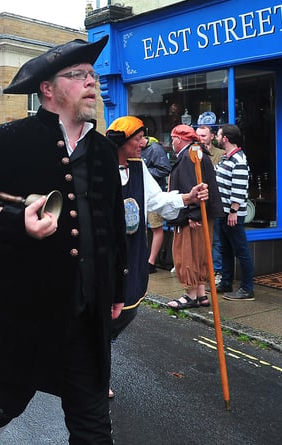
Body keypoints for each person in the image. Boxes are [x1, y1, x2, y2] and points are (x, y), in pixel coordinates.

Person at [0, 36, 126, 444]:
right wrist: (14, 222)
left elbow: (112, 222)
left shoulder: (102, 150)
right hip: (27, 309)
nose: (91, 82)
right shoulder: (6, 140)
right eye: (78, 75)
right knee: (6, 402)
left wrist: (118, 285)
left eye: (92, 75)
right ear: (48, 89)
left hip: (86, 310)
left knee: (93, 425)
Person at [106, 116, 208, 397]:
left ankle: (100, 348)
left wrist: (187, 198)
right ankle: (96, 373)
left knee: (129, 308)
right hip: (106, 253)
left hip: (133, 251)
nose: (143, 143)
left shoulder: (139, 168)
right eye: (137, 138)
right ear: (121, 141)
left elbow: (155, 199)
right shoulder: (99, 168)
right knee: (102, 314)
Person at [166, 125, 223, 310]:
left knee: (188, 255)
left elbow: (194, 187)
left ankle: (190, 295)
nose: (171, 142)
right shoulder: (198, 153)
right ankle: (201, 294)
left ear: (180, 139)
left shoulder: (188, 157)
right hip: (201, 214)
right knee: (201, 254)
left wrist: (193, 214)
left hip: (192, 216)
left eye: (173, 138)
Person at [215, 124, 255, 301]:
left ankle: (247, 289)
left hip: (232, 214)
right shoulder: (226, 158)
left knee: (241, 251)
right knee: (225, 250)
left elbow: (239, 189)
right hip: (223, 213)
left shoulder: (238, 160)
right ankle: (226, 282)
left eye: (218, 135)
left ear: (226, 139)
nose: (216, 137)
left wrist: (233, 211)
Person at [197, 124, 225, 285]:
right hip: (199, 203)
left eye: (204, 135)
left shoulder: (221, 154)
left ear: (212, 137)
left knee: (216, 240)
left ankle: (217, 271)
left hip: (215, 202)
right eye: (198, 135)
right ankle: (203, 271)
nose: (200, 138)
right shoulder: (194, 154)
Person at [140, 135, 171, 272]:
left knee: (156, 227)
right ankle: (142, 258)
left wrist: (144, 171)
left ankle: (151, 262)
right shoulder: (137, 149)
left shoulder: (155, 149)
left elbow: (165, 169)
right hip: (140, 194)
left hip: (154, 194)